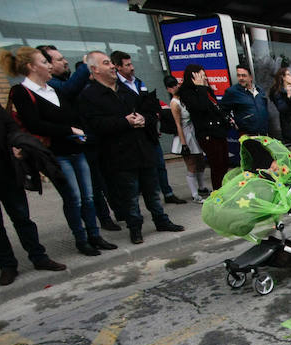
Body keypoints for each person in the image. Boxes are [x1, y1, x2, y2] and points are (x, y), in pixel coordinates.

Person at [1, 46, 116, 257]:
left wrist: (77, 130)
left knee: (88, 197)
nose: (48, 66)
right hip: (56, 154)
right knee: (74, 198)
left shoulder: (53, 89)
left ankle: (95, 236)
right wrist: (68, 130)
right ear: (31, 66)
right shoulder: (21, 92)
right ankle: (81, 240)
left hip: (76, 149)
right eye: (44, 62)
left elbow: (70, 114)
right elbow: (35, 124)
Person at [78, 51, 184, 245]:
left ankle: (161, 220)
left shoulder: (127, 90)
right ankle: (135, 228)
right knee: (130, 196)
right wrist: (124, 122)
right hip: (119, 156)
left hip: (143, 150)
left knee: (153, 191)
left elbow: (150, 111)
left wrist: (145, 119)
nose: (112, 66)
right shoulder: (89, 95)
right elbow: (95, 125)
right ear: (95, 69)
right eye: (106, 63)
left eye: (111, 63)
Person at [0, 82, 66, 285]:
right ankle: (7, 266)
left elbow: (7, 123)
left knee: (21, 215)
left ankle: (39, 257)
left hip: (1, 163)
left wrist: (17, 142)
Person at [111, 50, 183, 205]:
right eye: (127, 65)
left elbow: (149, 105)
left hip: (149, 132)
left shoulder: (138, 82)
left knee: (159, 165)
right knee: (141, 173)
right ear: (117, 67)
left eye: (131, 63)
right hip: (132, 138)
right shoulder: (115, 87)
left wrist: (149, 117)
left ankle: (167, 193)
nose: (132, 67)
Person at [178, 63, 231, 190]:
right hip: (208, 134)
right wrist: (201, 88)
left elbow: (215, 108)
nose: (205, 79)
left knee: (224, 164)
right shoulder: (188, 93)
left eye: (204, 76)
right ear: (193, 78)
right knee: (216, 165)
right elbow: (201, 107)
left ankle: (224, 189)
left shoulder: (206, 91)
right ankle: (219, 192)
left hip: (218, 132)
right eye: (201, 76)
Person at [165, 75, 206, 204]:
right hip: (185, 135)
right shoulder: (174, 103)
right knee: (191, 165)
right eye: (171, 86)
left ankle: (201, 187)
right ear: (168, 89)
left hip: (194, 132)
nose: (175, 87)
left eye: (175, 84)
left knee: (200, 162)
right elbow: (178, 124)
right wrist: (184, 144)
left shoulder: (184, 99)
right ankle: (195, 194)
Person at [220, 64, 269, 137]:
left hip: (264, 134)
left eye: (244, 75)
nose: (241, 78)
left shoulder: (260, 91)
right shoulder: (232, 92)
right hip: (247, 135)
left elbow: (264, 108)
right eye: (238, 75)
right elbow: (222, 110)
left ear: (251, 77)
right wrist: (232, 122)